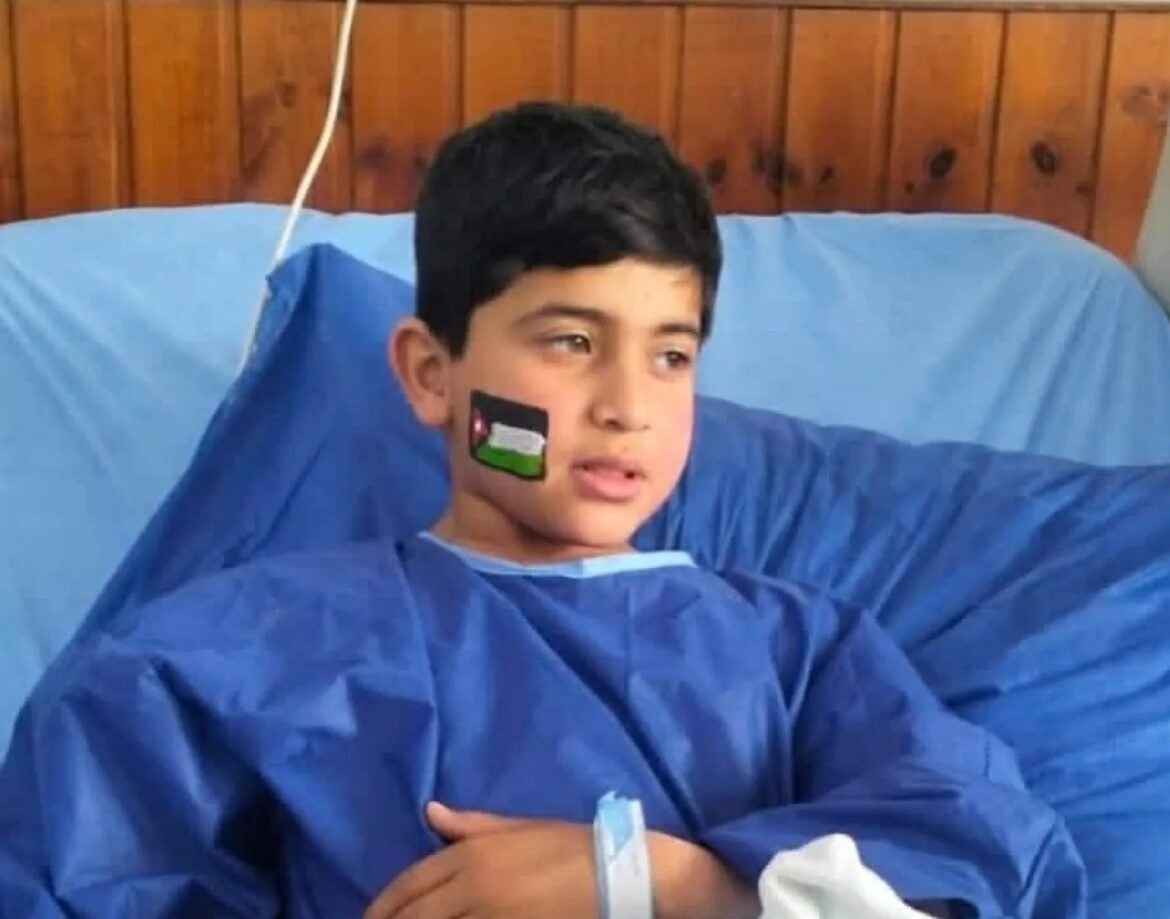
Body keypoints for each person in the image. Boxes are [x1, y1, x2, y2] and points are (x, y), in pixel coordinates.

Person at [0, 102, 1086, 919]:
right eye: (570, 341)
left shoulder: (797, 649)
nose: (626, 407)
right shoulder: (246, 652)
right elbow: (78, 861)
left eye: (671, 355)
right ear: (433, 376)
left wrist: (671, 881)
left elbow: (988, 864)